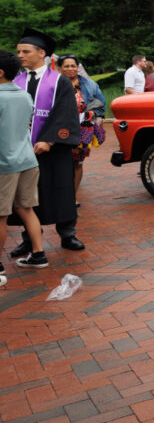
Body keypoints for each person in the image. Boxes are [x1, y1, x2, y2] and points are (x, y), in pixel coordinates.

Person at [9, 29, 84, 254]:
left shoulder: (59, 81)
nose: (20, 55)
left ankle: (67, 234)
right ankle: (29, 238)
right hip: (23, 150)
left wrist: (49, 140)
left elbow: (65, 113)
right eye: (18, 51)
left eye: (25, 51)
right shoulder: (16, 80)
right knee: (25, 196)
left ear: (41, 53)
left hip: (53, 149)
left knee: (60, 189)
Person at [0, 50, 48, 278]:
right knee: (26, 208)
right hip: (27, 160)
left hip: (4, 164)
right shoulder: (23, 95)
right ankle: (38, 254)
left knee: (0, 215)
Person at [57, 55, 106, 195]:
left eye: (73, 66)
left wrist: (95, 115)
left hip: (82, 130)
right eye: (66, 66)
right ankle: (61, 195)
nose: (70, 69)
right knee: (61, 163)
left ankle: (72, 197)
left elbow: (101, 105)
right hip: (60, 130)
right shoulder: (54, 85)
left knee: (77, 162)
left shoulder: (90, 85)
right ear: (60, 68)